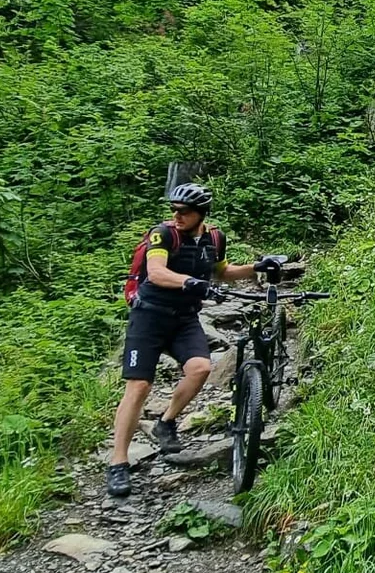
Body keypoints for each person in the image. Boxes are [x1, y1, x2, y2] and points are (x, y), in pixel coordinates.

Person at [109, 183, 282, 498]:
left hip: (184, 319)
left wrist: (256, 267)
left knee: (201, 368)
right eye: (174, 210)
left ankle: (166, 422)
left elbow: (222, 272)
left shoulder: (214, 238)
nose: (176, 216)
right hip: (149, 317)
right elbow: (157, 272)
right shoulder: (163, 235)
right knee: (139, 386)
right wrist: (192, 283)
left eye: (184, 212)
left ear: (201, 214)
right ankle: (118, 463)